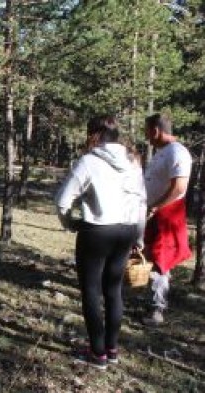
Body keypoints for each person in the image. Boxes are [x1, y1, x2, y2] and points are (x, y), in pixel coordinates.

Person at [55, 116, 146, 370]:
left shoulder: (88, 161)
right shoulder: (134, 162)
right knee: (114, 290)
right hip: (126, 231)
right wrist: (138, 236)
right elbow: (141, 203)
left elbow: (63, 200)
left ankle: (97, 353)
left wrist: (69, 223)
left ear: (93, 135)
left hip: (96, 232)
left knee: (92, 292)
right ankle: (112, 349)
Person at [142, 113, 192, 326]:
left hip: (167, 217)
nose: (147, 137)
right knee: (150, 256)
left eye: (147, 132)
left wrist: (156, 206)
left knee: (161, 260)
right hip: (155, 215)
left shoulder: (178, 152)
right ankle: (151, 300)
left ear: (155, 130)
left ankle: (157, 308)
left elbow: (179, 187)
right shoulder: (162, 153)